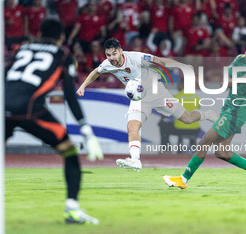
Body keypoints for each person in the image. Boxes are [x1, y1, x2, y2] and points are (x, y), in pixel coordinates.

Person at [0, 18, 103, 224]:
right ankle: (72, 209)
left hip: (1, 109)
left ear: (39, 34)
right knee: (70, 152)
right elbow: (70, 95)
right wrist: (86, 130)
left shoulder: (22, 50)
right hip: (31, 111)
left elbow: (1, 79)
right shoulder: (63, 55)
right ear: (61, 37)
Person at [76, 38, 219, 171]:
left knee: (186, 118)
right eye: (108, 55)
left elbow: (160, 61)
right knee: (132, 126)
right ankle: (135, 160)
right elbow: (96, 71)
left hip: (156, 92)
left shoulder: (135, 57)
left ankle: (208, 114)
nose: (112, 58)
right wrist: (83, 86)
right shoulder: (107, 64)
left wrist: (182, 66)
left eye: (114, 54)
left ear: (120, 51)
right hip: (138, 98)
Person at [163, 38, 246, 192]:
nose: (245, 53)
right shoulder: (240, 60)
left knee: (204, 142)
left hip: (237, 113)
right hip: (227, 108)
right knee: (222, 152)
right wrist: (244, 79)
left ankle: (184, 179)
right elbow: (224, 82)